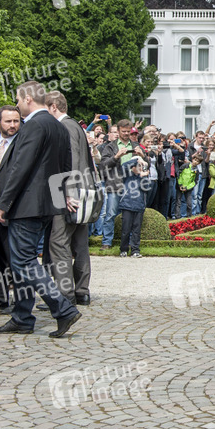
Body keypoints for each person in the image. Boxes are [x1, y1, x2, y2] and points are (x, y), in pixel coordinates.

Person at [0, 81, 82, 338]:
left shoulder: (34, 125)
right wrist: (62, 196)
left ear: (27, 99)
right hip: (46, 204)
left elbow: (20, 167)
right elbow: (66, 165)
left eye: (18, 99)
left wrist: (3, 203)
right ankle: (22, 317)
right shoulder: (58, 125)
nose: (17, 104)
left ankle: (63, 309)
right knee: (21, 261)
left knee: (23, 261)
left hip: (27, 205)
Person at [45, 91, 96, 305]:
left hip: (70, 193)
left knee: (59, 243)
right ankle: (82, 291)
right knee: (79, 243)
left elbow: (72, 159)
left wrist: (67, 193)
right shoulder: (75, 125)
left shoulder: (65, 126)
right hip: (83, 192)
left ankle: (64, 294)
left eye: (46, 109)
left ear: (53, 107)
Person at [0, 105, 21, 313]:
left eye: (16, 121)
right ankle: (1, 299)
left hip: (12, 209)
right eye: (8, 121)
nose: (13, 125)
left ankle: (20, 302)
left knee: (14, 257)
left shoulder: (21, 145)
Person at [98, 119, 137, 249]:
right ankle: (106, 242)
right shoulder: (110, 146)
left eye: (128, 131)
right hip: (115, 183)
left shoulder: (135, 145)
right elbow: (103, 166)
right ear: (118, 130)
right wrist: (116, 157)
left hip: (132, 185)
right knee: (110, 214)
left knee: (130, 215)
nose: (126, 133)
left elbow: (146, 163)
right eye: (123, 131)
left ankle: (128, 242)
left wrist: (143, 156)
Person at [118, 155, 149, 258]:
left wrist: (143, 176)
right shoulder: (127, 175)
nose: (140, 167)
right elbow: (123, 166)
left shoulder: (143, 176)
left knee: (136, 230)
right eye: (138, 166)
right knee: (125, 230)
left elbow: (147, 187)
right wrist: (137, 160)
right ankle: (123, 249)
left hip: (139, 206)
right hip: (127, 205)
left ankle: (135, 250)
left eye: (141, 166)